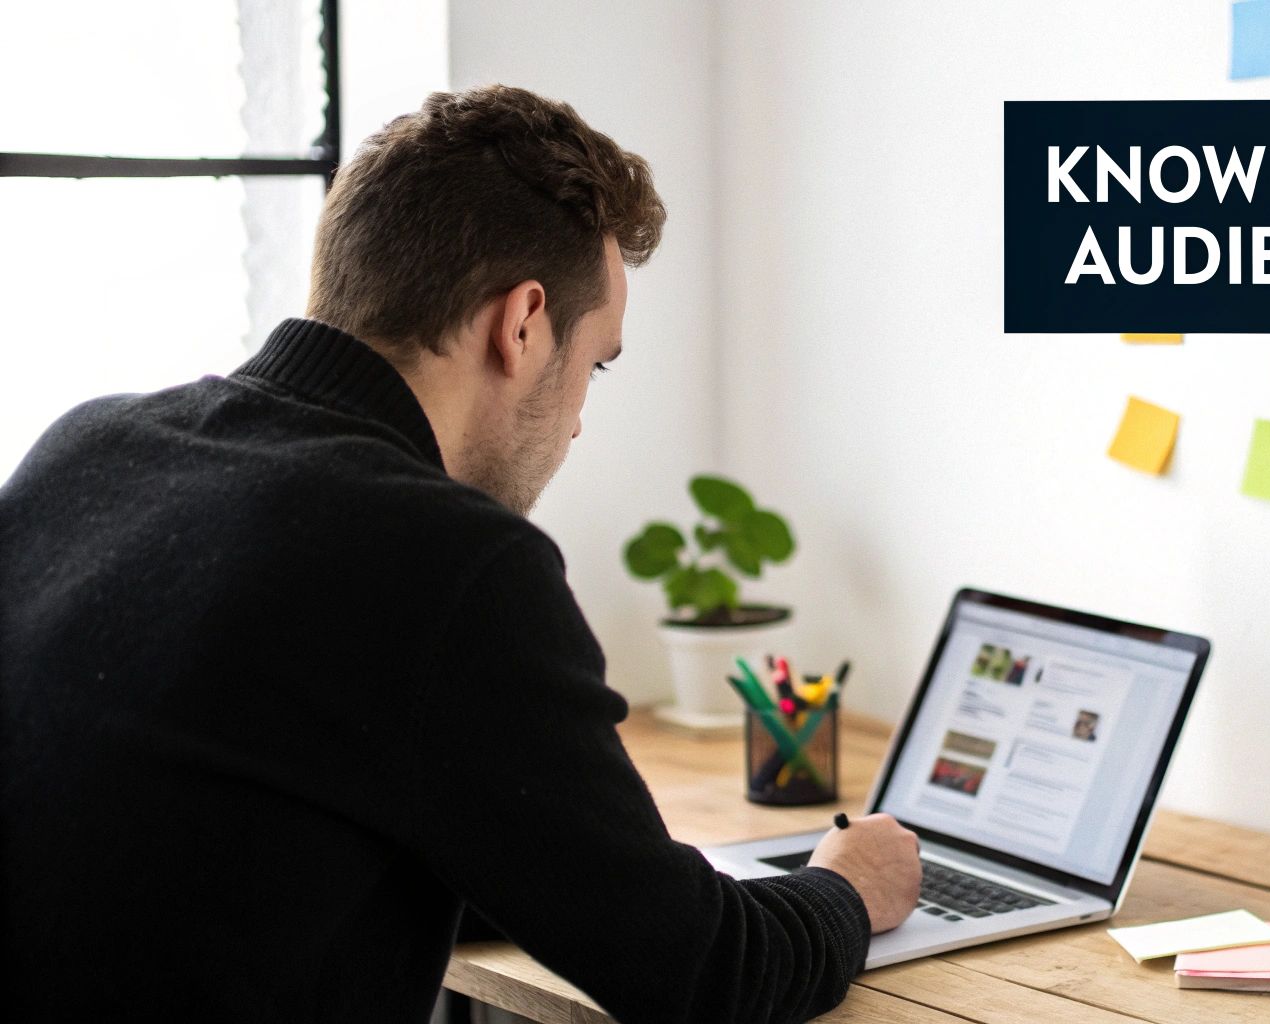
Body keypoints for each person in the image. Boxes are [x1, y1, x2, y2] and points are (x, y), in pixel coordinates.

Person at [0, 84, 922, 1023]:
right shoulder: (443, 560)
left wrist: (559, 866)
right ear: (520, 324)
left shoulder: (83, 447)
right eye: (594, 363)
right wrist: (847, 885)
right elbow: (710, 975)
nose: (575, 424)